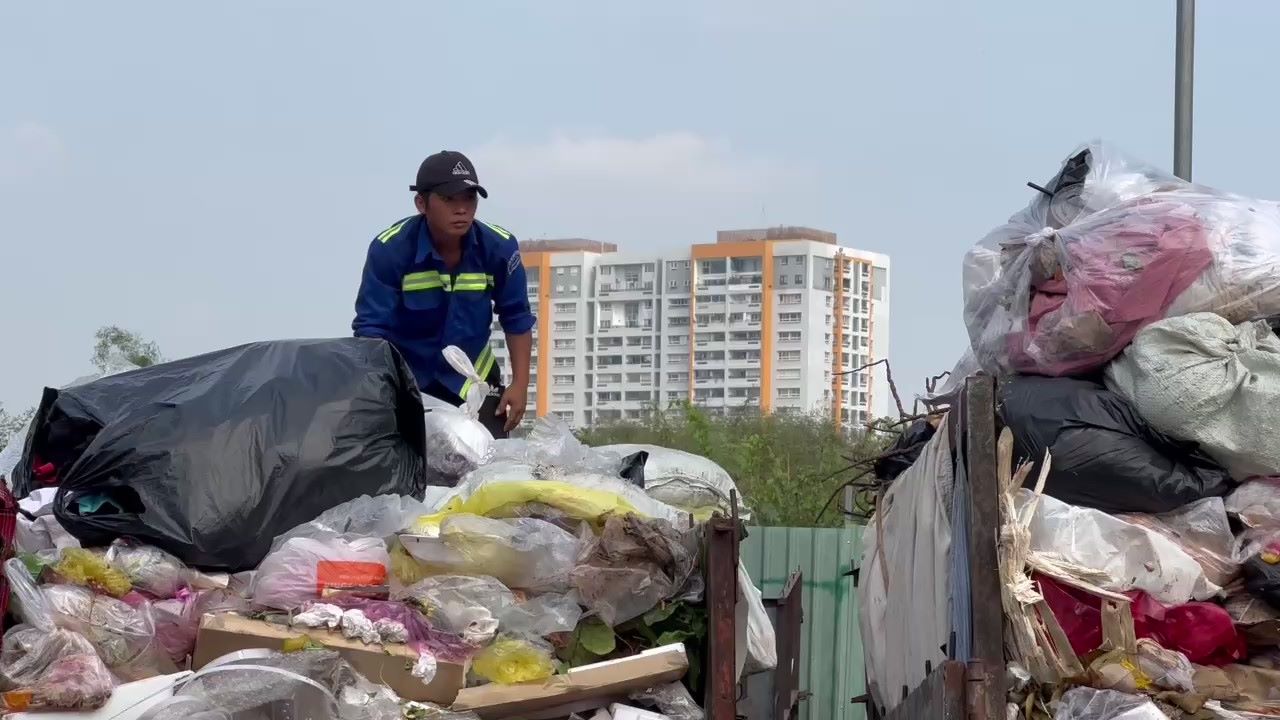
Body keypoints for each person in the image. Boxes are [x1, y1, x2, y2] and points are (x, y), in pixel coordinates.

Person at [353, 150, 533, 438]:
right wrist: (379, 392)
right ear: (421, 203)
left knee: (487, 472)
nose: (461, 209)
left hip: (474, 382)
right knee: (410, 474)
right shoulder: (390, 249)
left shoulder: (499, 247)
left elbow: (517, 318)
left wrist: (520, 385)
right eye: (449, 199)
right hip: (409, 384)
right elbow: (371, 331)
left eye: (469, 198)